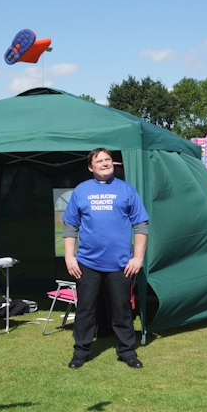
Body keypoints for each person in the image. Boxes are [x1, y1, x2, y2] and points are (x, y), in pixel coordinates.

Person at [62, 148, 149, 370]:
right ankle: (80, 352)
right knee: (85, 310)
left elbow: (140, 225)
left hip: (120, 265)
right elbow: (70, 226)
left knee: (122, 309)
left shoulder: (127, 190)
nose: (104, 163)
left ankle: (127, 351)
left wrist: (137, 257)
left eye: (108, 159)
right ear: (91, 167)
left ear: (113, 163)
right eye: (99, 161)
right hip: (87, 264)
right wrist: (69, 257)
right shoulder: (81, 191)